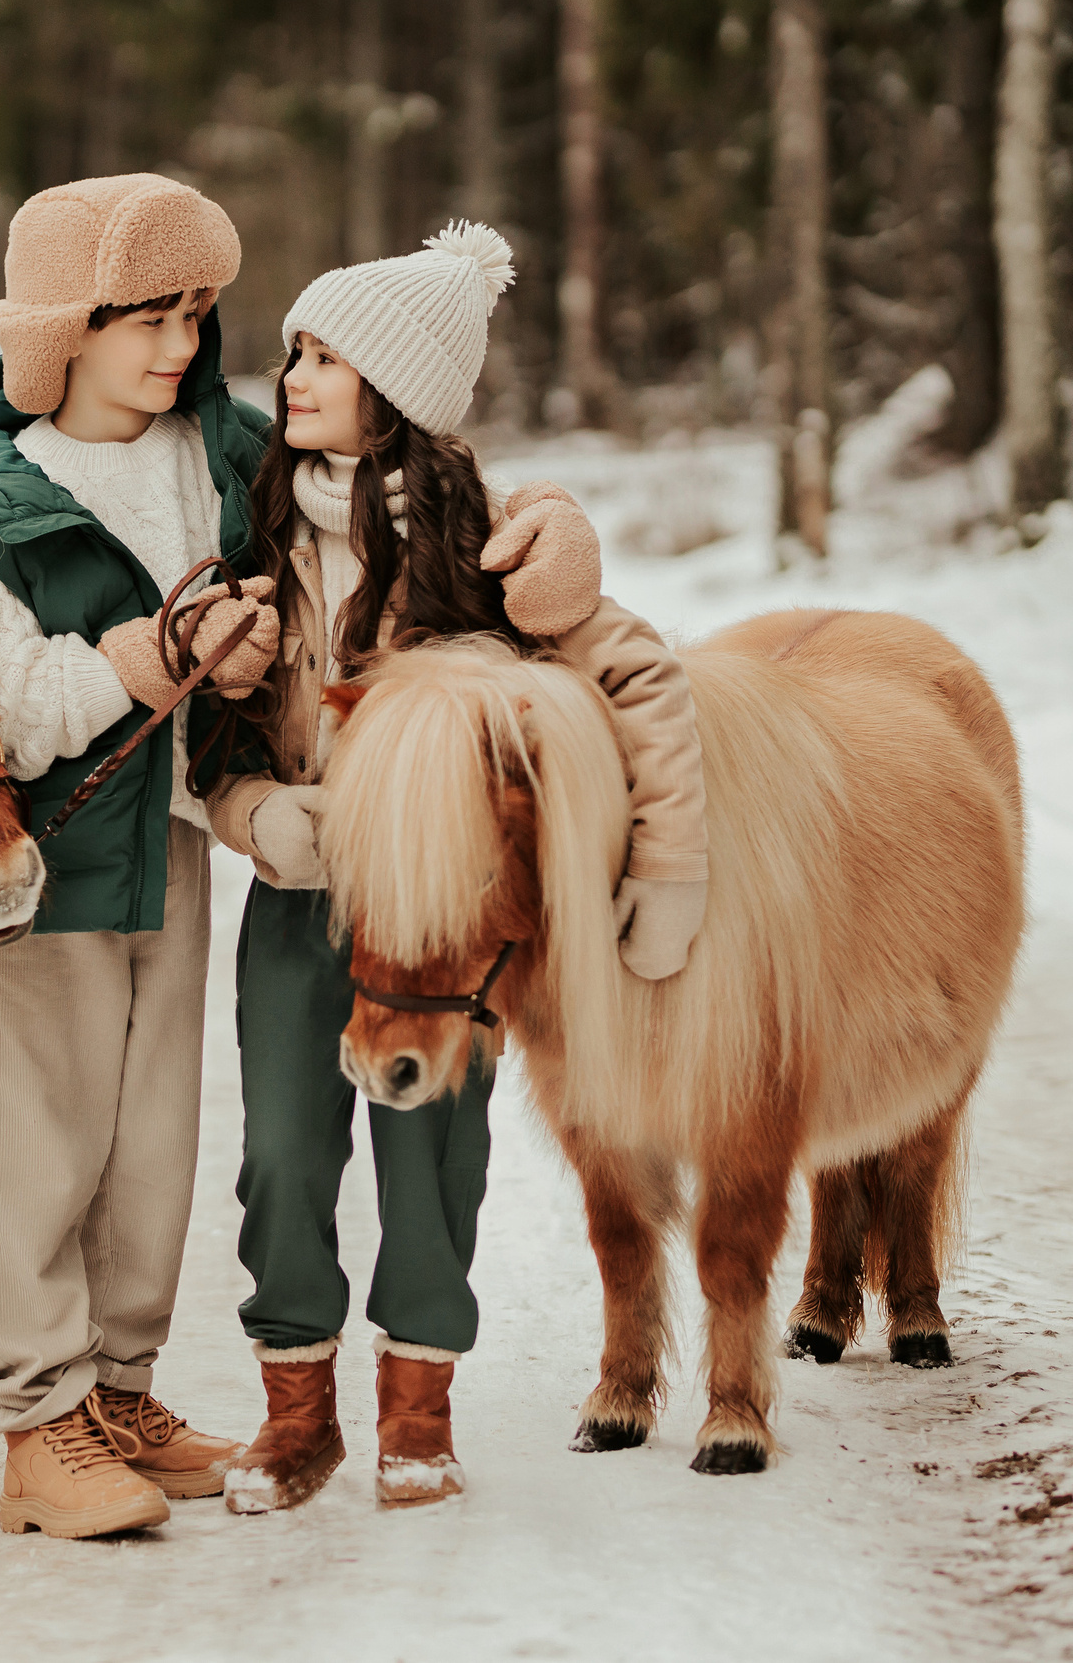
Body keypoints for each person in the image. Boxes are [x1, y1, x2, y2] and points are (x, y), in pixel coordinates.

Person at [0, 179, 596, 1539]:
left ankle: (124, 1394)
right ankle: (42, 1424)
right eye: (148, 318)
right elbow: (0, 706)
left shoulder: (219, 458)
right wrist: (154, 660)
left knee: (152, 1150)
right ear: (62, 330)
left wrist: (552, 525)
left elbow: (409, 464)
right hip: (43, 866)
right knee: (46, 1144)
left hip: (184, 856)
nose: (183, 346)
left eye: (198, 315)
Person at [203, 222, 710, 1514]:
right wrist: (259, 813)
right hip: (300, 906)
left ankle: (418, 1413)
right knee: (282, 1158)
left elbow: (639, 675)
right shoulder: (255, 535)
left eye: (324, 356)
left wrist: (668, 863)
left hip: (439, 917)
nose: (294, 377)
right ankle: (296, 1412)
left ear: (399, 390)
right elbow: (209, 741)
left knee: (435, 1158)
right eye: (292, 354)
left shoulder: (487, 548)